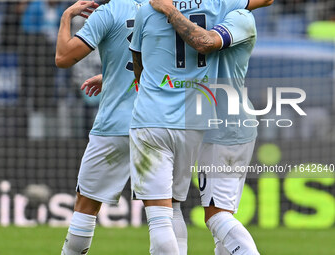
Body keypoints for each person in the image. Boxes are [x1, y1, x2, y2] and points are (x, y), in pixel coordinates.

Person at [129, 0, 272, 254]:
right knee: (187, 211)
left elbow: (203, 42)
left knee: (216, 217)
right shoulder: (221, 6)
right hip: (206, 123)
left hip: (223, 127)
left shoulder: (239, 18)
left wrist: (171, 10)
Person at [54, 1, 150, 254]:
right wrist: (111, 76)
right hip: (158, 125)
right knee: (165, 210)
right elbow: (167, 66)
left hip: (115, 126)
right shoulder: (163, 10)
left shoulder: (109, 12)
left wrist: (66, 17)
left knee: (86, 207)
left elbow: (63, 58)